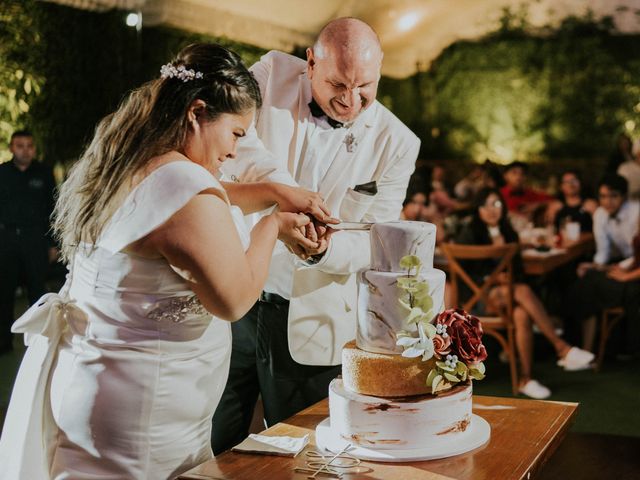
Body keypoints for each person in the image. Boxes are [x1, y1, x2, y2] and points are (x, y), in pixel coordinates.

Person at [0, 43, 332, 479]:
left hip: (102, 384)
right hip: (141, 415)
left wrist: (275, 192)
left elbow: (204, 203)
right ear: (197, 112)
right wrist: (272, 225)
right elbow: (233, 300)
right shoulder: (181, 184)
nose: (235, 152)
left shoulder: (136, 161)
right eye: (236, 133)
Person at [212, 17, 420, 453]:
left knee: (299, 447)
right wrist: (286, 194)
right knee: (215, 436)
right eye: (337, 84)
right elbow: (233, 143)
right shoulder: (269, 74)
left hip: (309, 313)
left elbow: (376, 238)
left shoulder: (399, 142)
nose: (351, 99)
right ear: (310, 62)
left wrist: (321, 248)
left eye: (365, 85)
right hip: (233, 295)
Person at [455, 187, 594, 399]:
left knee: (521, 313)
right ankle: (562, 348)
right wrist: (489, 280)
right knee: (523, 290)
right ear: (478, 209)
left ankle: (526, 379)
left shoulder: (509, 232)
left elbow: (518, 271)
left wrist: (505, 279)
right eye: (485, 205)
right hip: (479, 300)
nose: (491, 210)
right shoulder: (469, 234)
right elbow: (463, 274)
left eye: (497, 204)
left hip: (507, 297)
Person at [0, 130, 57, 354]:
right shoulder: (2, 172)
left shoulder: (44, 173)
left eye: (29, 145)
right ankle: (3, 342)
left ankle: (38, 343)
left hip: (36, 240)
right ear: (12, 148)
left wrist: (54, 243)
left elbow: (54, 210)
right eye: (20, 145)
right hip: (6, 239)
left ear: (34, 148)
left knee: (37, 293)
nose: (25, 150)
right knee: (4, 292)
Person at [578, 174, 640, 276]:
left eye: (614, 196)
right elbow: (603, 251)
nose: (608, 201)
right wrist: (595, 266)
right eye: (603, 196)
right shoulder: (600, 214)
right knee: (587, 276)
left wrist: (620, 268)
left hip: (636, 264)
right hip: (622, 262)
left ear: (624, 196)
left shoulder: (637, 213)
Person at [550, 169, 597, 234]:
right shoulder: (555, 206)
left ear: (580, 183)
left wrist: (593, 213)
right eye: (566, 182)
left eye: (574, 180)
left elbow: (600, 229)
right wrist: (552, 214)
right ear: (561, 186)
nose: (570, 184)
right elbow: (549, 229)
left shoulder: (591, 204)